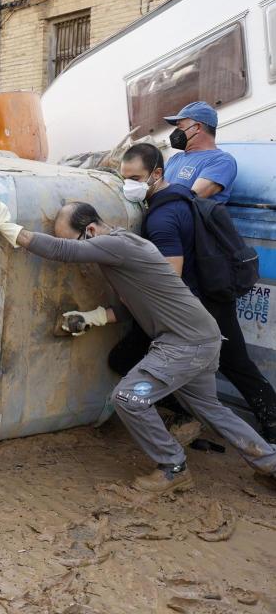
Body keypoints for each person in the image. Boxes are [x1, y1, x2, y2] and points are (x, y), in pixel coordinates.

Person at [0, 197, 276, 494]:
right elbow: (136, 305)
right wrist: (94, 317)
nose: (80, 251)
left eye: (76, 240)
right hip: (200, 339)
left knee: (128, 398)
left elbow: (63, 251)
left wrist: (12, 230)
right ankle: (271, 463)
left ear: (92, 230)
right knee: (211, 410)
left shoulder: (117, 245)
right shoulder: (125, 249)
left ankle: (173, 467)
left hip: (184, 344)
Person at [120, 143, 276, 442]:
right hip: (212, 294)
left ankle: (194, 417)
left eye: (136, 179)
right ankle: (196, 416)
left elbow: (169, 277)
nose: (130, 185)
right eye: (124, 177)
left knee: (127, 359)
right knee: (235, 364)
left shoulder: (162, 218)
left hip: (198, 305)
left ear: (157, 174)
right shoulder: (183, 199)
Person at [163, 101, 237, 202]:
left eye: (180, 127)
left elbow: (191, 199)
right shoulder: (175, 158)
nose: (175, 133)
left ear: (197, 127)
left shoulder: (221, 161)